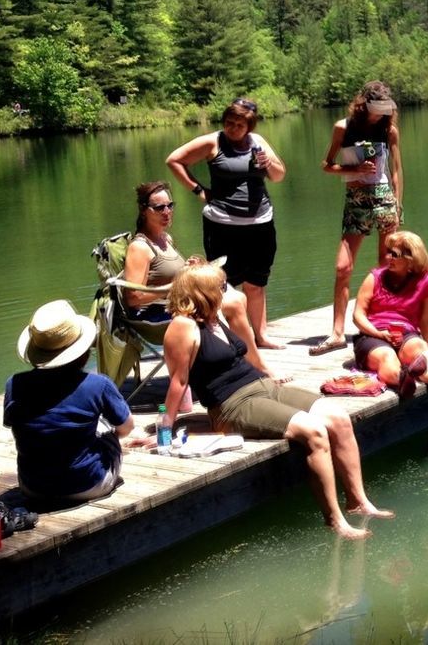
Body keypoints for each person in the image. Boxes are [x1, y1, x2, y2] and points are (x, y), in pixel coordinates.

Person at [162, 265, 391, 540]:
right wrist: (164, 428)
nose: (225, 291)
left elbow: (240, 314)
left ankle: (358, 501)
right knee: (314, 431)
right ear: (202, 293)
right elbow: (178, 382)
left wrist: (269, 373)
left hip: (263, 387)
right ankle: (334, 519)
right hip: (231, 404)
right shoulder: (182, 326)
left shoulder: (214, 316)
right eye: (219, 287)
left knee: (339, 418)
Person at [121, 180, 289, 382]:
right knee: (233, 303)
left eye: (170, 206)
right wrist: (172, 288)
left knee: (236, 296)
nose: (166, 212)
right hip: (155, 317)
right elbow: (133, 297)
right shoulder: (139, 247)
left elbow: (169, 276)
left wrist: (188, 269)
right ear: (144, 210)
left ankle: (238, 361)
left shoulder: (165, 239)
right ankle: (257, 366)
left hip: (176, 305)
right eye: (159, 208)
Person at [166, 97, 286, 349]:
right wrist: (198, 190)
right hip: (222, 225)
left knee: (256, 283)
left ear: (250, 127)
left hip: (260, 223)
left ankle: (260, 337)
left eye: (239, 125)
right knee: (222, 283)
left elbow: (278, 176)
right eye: (229, 122)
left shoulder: (258, 143)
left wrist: (269, 163)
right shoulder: (213, 142)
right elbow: (174, 160)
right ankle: (228, 339)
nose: (233, 128)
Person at [4, 300, 148, 504]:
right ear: (83, 350)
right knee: (105, 427)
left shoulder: (14, 384)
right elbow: (126, 427)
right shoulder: (98, 385)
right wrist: (110, 438)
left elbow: (17, 425)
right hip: (88, 484)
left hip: (32, 487)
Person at [318, 81, 405, 354]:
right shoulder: (344, 127)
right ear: (364, 104)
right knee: (343, 267)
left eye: (385, 110)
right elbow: (327, 165)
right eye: (377, 109)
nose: (381, 115)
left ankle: (380, 323)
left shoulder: (389, 130)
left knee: (386, 265)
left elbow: (396, 170)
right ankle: (336, 333)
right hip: (356, 200)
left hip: (383, 199)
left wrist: (398, 204)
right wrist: (352, 166)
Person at [352, 231, 428, 403]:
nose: (388, 256)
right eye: (388, 251)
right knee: (387, 356)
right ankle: (403, 379)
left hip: (405, 333)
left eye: (394, 254)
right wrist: (379, 333)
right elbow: (357, 315)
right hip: (373, 335)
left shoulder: (427, 281)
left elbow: (425, 317)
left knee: (420, 347)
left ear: (410, 258)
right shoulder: (374, 277)